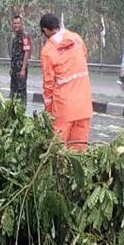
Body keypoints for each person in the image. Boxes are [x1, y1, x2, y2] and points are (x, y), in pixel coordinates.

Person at [38, 13, 93, 151]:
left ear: (45, 30)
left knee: (59, 151)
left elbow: (48, 84)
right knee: (79, 150)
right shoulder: (76, 39)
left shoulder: (48, 51)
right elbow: (83, 56)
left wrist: (48, 111)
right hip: (84, 104)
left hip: (63, 109)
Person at [9, 15, 31, 106]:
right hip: (14, 69)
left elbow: (27, 52)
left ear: (21, 24)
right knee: (13, 91)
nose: (16, 25)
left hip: (21, 69)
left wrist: (23, 69)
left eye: (18, 23)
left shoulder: (24, 37)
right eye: (14, 23)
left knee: (21, 92)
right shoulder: (15, 38)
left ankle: (22, 112)